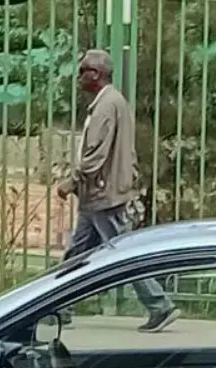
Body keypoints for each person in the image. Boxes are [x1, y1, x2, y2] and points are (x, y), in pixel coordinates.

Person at [56, 49, 179, 333]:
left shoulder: (106, 106)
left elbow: (95, 155)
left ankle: (159, 305)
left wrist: (72, 181)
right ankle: (60, 307)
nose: (79, 77)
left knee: (123, 253)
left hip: (103, 194)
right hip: (100, 194)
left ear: (95, 74)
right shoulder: (114, 102)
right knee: (77, 251)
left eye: (83, 71)